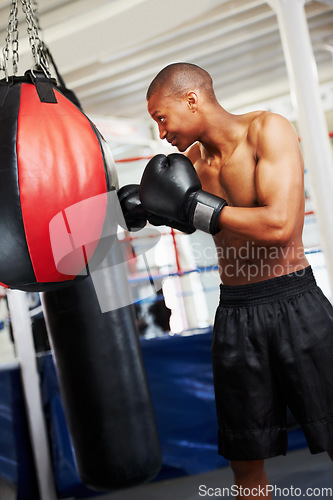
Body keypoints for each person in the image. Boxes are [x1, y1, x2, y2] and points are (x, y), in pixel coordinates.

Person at [118, 62, 333, 498]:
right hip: (236, 316)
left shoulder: (268, 130)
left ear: (191, 100)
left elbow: (280, 225)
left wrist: (197, 205)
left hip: (295, 302)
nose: (161, 133)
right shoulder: (192, 165)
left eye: (162, 117)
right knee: (245, 465)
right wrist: (145, 208)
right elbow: (183, 214)